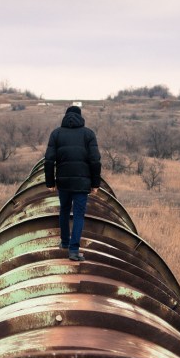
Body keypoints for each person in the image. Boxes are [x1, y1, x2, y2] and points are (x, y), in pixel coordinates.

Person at [44, 104, 101, 261]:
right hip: (82, 183)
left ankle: (64, 242)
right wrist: (95, 184)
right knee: (78, 215)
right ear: (81, 117)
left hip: (63, 181)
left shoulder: (56, 134)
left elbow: (48, 160)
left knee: (64, 210)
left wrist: (50, 182)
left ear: (65, 116)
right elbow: (95, 160)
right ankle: (74, 251)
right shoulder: (88, 134)